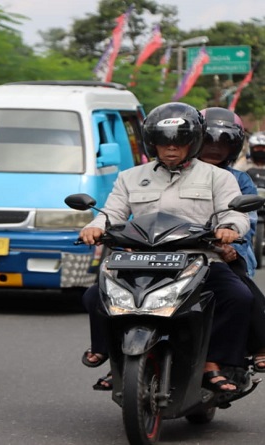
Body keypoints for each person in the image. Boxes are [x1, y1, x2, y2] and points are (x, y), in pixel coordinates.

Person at [79, 102, 254, 394]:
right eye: (163, 142)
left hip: (198, 259)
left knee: (239, 297)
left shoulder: (218, 177)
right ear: (152, 144)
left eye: (179, 142)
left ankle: (213, 362)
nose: (171, 148)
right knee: (94, 295)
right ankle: (113, 355)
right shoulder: (130, 177)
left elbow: (234, 213)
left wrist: (229, 228)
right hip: (141, 259)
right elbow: (111, 214)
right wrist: (94, 227)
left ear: (193, 142)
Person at [198, 107, 258, 278]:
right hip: (178, 252)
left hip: (225, 254)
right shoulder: (177, 172)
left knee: (243, 293)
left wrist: (231, 247)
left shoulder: (241, 180)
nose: (215, 148)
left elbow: (246, 223)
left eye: (224, 142)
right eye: (208, 141)